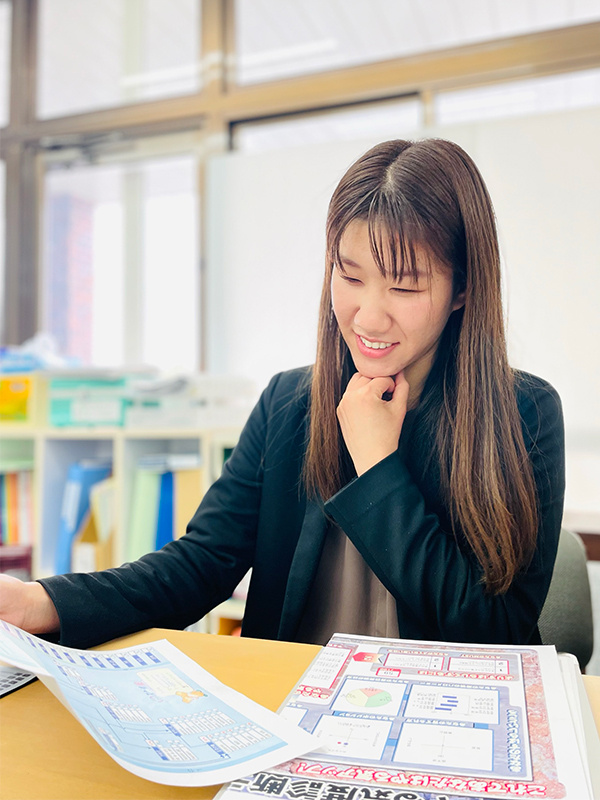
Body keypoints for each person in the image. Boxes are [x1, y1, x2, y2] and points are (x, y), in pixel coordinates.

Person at [0, 138, 564, 650]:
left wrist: (378, 468)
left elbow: (495, 629)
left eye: (404, 285)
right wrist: (36, 603)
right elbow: (200, 565)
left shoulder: (524, 415)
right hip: (290, 711)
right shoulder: (288, 403)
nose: (368, 315)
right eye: (349, 276)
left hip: (442, 729)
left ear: (462, 287)